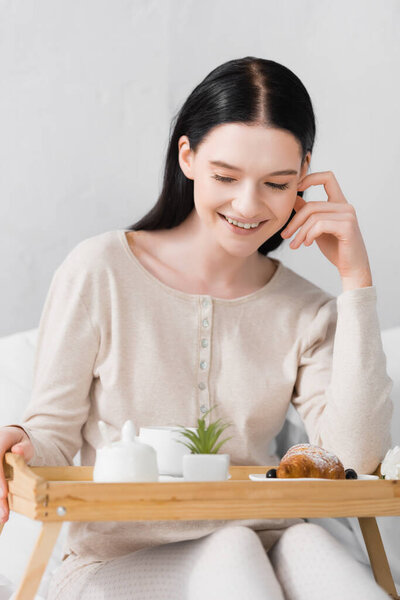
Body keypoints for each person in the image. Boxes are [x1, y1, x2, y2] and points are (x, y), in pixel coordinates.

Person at [0, 56, 393, 600]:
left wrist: (357, 280)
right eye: (225, 177)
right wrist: (18, 442)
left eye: (277, 183)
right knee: (234, 547)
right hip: (117, 566)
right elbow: (52, 436)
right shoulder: (99, 271)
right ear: (187, 157)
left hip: (265, 546)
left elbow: (355, 461)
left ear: (305, 173)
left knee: (310, 546)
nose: (248, 205)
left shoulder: (309, 311)